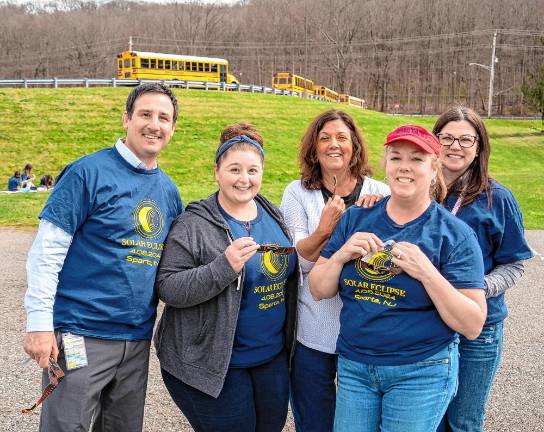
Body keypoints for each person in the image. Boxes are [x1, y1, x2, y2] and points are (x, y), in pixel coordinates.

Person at [23, 82, 183, 432]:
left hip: (135, 340)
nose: (154, 124)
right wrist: (38, 323)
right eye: (145, 114)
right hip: (80, 335)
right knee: (68, 425)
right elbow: (46, 252)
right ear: (127, 118)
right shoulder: (87, 173)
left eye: (163, 118)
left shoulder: (169, 192)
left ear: (172, 128)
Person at [309, 125, 487, 432]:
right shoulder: (355, 218)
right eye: (396, 157)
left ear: (435, 169)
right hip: (355, 367)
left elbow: (472, 324)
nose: (404, 166)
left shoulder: (453, 234)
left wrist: (427, 273)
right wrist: (340, 255)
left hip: (420, 369)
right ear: (386, 165)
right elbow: (318, 289)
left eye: (417, 159)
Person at [155, 123, 299, 432]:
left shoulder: (272, 214)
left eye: (252, 170)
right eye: (234, 169)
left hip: (269, 357)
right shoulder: (193, 224)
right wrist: (223, 266)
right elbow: (168, 287)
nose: (244, 179)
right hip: (213, 362)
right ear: (217, 171)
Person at [279, 109, 389, 431]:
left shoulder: (379, 193)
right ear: (314, 148)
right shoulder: (297, 193)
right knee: (315, 421)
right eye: (324, 138)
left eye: (341, 137)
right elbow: (298, 262)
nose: (333, 144)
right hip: (314, 329)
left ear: (354, 144)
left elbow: (387, 261)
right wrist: (325, 230)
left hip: (364, 331)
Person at [433, 106, 533, 432]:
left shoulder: (497, 199)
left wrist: (477, 288)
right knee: (427, 418)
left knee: (462, 420)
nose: (455, 146)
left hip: (478, 327)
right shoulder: (417, 194)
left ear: (478, 148)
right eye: (447, 137)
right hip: (426, 322)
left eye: (465, 139)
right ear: (435, 142)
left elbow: (515, 263)